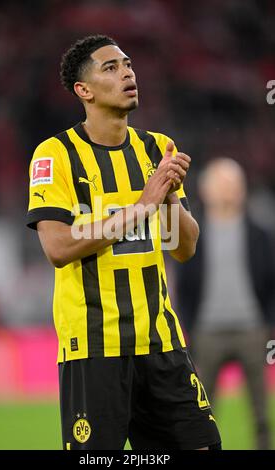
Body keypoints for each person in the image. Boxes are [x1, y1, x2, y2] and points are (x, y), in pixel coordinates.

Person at [26, 35, 221, 450]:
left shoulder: (157, 147)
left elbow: (184, 248)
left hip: (162, 340)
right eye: (110, 68)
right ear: (84, 91)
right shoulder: (55, 155)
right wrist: (141, 205)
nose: (127, 73)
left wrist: (168, 193)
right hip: (95, 348)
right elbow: (58, 248)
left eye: (128, 64)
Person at [176, 158, 275, 450]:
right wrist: (189, 327)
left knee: (260, 412)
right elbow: (184, 286)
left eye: (234, 184)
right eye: (222, 183)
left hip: (253, 331)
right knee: (203, 414)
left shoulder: (260, 233)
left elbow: (271, 282)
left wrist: (269, 323)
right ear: (205, 190)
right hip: (207, 334)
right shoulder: (192, 234)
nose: (228, 190)